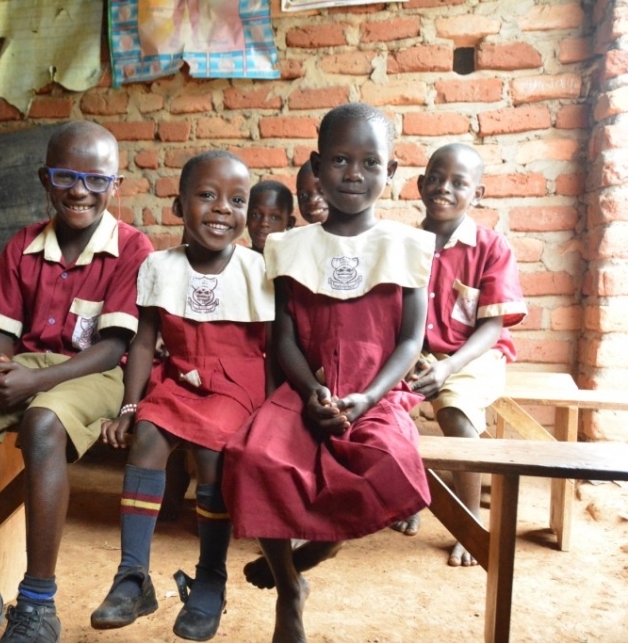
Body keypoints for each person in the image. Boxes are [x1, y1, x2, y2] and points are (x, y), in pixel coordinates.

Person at [0, 121, 153, 643]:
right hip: (27, 366)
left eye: (95, 179)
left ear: (116, 185)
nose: (79, 190)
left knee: (44, 424)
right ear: (46, 179)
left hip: (95, 372)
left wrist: (34, 386)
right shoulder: (24, 244)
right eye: (66, 176)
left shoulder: (132, 248)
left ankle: (38, 602)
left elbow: (113, 348)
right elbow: (0, 333)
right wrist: (4, 371)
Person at [222, 103, 436, 643]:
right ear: (316, 168)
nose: (354, 174)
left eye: (370, 163)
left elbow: (411, 339)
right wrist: (312, 389)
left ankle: (323, 542)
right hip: (306, 387)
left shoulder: (407, 246)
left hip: (376, 392)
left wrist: (367, 398)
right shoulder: (290, 247)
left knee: (389, 461)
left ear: (392, 172)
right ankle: (289, 589)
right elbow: (285, 336)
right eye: (340, 160)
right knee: (254, 458)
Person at [90, 150, 273, 641]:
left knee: (212, 450)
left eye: (236, 200)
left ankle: (210, 578)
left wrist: (276, 415)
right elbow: (144, 342)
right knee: (148, 437)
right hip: (182, 377)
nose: (221, 209)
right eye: (206, 196)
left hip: (236, 385)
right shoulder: (159, 266)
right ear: (178, 207)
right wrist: (131, 407)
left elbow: (273, 351)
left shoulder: (258, 269)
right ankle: (132, 577)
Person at [395, 143, 527, 566]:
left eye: (458, 183)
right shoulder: (404, 244)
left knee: (453, 411)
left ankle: (469, 523)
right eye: (434, 178)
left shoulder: (491, 247)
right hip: (418, 353)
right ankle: (411, 499)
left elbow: (491, 326)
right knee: (388, 410)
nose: (443, 188)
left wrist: (450, 365)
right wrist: (412, 357)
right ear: (419, 185)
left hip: (475, 356)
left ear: (479, 193)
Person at [246, 179, 295, 253]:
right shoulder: (235, 261)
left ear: (289, 223)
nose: (264, 223)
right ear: (246, 218)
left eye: (274, 217)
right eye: (255, 215)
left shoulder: (296, 262)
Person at [295, 158, 329, 225]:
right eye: (303, 195)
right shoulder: (300, 235)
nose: (312, 200)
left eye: (322, 190)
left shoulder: (355, 234)